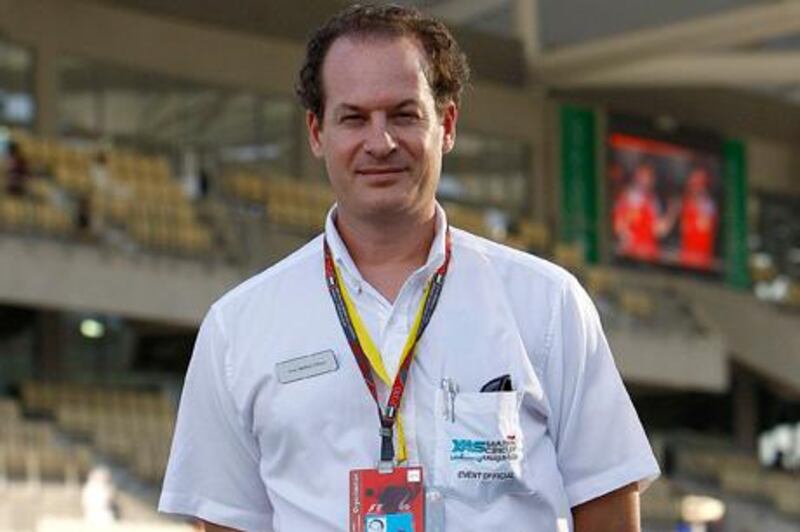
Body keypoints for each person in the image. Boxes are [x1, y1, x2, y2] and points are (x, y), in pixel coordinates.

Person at [159, 5, 659, 531]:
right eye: (354, 118)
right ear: (316, 132)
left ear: (446, 124)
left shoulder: (548, 305)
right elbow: (226, 522)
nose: (381, 143)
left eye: (403, 114)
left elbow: (606, 501)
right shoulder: (238, 329)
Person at [612, 162, 677, 262]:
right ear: (636, 176)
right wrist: (625, 236)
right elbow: (618, 225)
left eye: (650, 177)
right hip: (630, 256)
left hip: (649, 257)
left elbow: (659, 230)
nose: (647, 180)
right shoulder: (625, 197)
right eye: (644, 176)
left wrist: (672, 212)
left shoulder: (653, 200)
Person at [678, 167, 718, 270]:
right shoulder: (685, 203)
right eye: (693, 183)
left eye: (699, 183)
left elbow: (704, 227)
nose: (695, 187)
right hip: (686, 260)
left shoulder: (708, 206)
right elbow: (684, 229)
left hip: (702, 261)